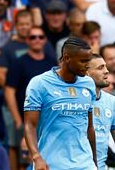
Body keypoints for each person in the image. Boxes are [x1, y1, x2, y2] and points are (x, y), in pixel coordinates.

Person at [23, 37, 97, 169]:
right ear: (67, 58)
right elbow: (30, 125)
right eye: (83, 61)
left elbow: (89, 127)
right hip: (51, 164)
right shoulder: (39, 83)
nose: (87, 65)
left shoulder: (89, 83)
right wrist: (36, 157)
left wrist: (95, 163)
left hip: (85, 163)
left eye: (89, 61)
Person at [4, 27, 57, 169]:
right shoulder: (18, 62)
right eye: (33, 37)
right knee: (23, 155)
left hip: (48, 119)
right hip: (25, 116)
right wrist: (17, 119)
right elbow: (9, 91)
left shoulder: (52, 64)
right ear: (27, 40)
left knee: (46, 154)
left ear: (45, 40)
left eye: (40, 36)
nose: (37, 40)